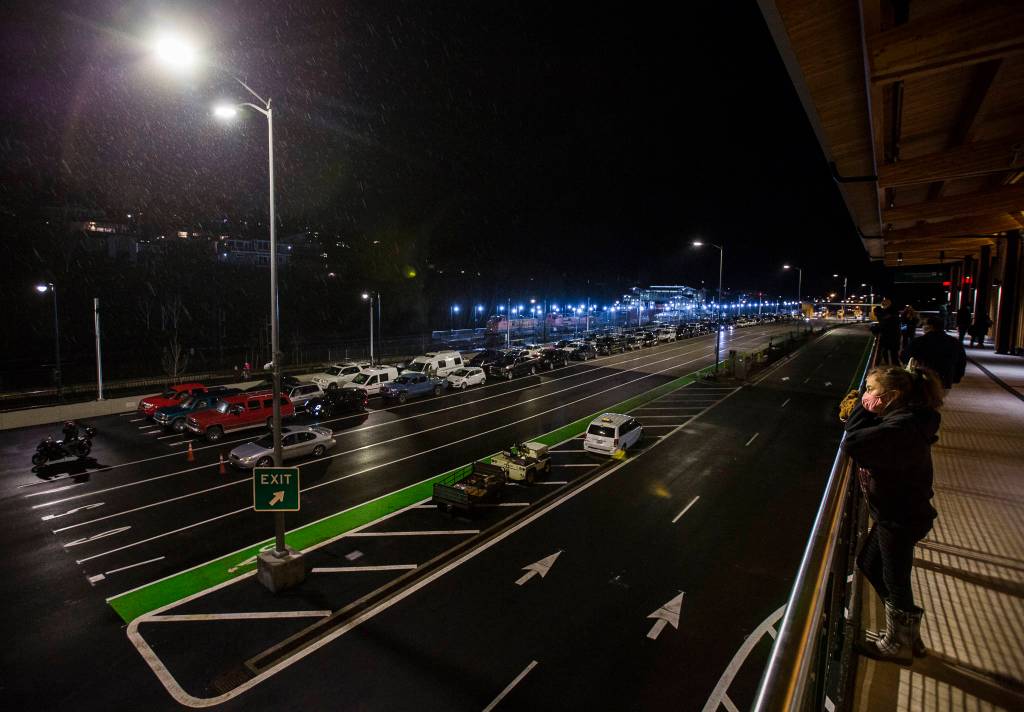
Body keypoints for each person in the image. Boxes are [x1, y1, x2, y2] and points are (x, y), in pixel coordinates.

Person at [842, 365, 944, 663]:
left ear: (892, 396)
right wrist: (870, 405)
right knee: (871, 564)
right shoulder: (904, 420)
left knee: (892, 576)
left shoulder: (901, 428)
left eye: (872, 390)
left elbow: (853, 442)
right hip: (900, 512)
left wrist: (861, 407)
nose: (867, 394)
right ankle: (908, 635)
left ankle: (899, 643)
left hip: (899, 515)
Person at [907, 317, 966, 390]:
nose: (922, 327)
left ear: (930, 326)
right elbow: (961, 362)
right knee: (939, 398)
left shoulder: (919, 341)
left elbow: (906, 357)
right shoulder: (954, 342)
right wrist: (957, 377)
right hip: (945, 378)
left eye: (924, 325)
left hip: (923, 377)